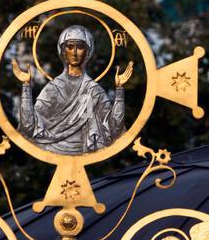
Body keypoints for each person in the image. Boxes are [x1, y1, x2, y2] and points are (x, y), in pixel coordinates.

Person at [13, 24, 132, 154]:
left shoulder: (93, 90)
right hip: (51, 148)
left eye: (80, 47)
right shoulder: (53, 88)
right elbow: (29, 126)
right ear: (63, 52)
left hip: (87, 150)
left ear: (87, 52)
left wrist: (120, 89)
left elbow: (114, 128)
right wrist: (26, 85)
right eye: (70, 47)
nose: (74, 52)